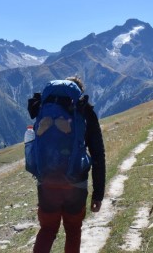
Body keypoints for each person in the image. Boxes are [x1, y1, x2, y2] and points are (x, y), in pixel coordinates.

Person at [29, 76, 106, 253]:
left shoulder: (44, 107)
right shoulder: (84, 111)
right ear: (79, 93)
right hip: (75, 183)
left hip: (47, 181)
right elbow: (98, 155)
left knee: (47, 230)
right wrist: (98, 194)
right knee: (72, 231)